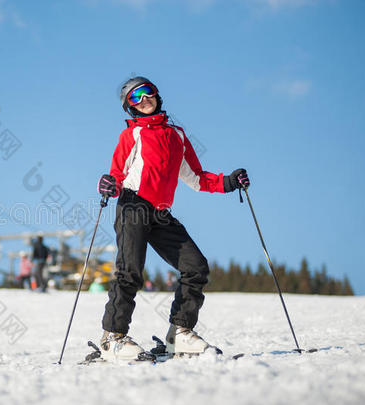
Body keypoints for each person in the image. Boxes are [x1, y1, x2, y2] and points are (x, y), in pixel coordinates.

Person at [96, 76, 250, 360]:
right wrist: (108, 184)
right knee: (130, 271)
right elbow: (117, 174)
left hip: (160, 213)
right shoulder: (132, 135)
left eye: (147, 92)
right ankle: (113, 337)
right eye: (135, 97)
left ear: (156, 94)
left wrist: (229, 182)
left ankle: (179, 334)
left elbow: (197, 177)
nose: (143, 99)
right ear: (129, 107)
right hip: (133, 206)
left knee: (196, 267)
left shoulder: (176, 135)